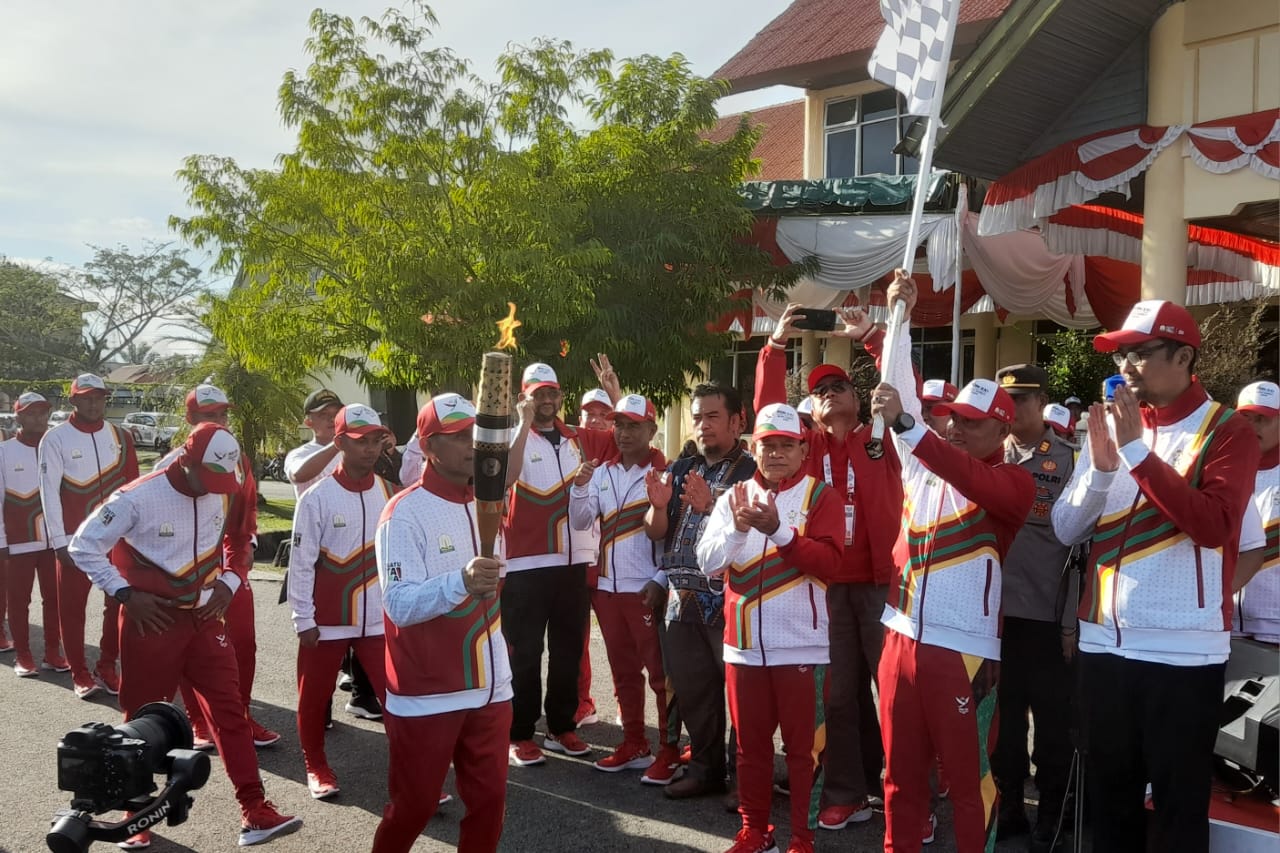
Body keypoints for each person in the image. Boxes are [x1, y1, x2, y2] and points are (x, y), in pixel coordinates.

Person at [1051, 300, 1260, 853]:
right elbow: (1066, 529)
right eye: (1122, 353)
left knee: (1176, 809)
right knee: (1111, 805)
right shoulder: (1117, 427)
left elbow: (1213, 526)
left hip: (1182, 654)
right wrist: (1098, 470)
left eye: (1141, 353)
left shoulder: (1229, 430)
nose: (1127, 365)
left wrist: (1136, 452)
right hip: (1103, 646)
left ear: (1184, 356)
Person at [67, 423, 301, 848]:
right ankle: (135, 815)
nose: (214, 489)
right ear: (187, 461)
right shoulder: (138, 496)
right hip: (150, 623)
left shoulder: (223, 485)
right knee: (140, 721)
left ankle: (255, 810)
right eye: (207, 478)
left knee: (231, 712)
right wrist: (124, 593)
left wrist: (230, 582)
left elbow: (239, 538)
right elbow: (82, 545)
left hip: (205, 620)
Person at [871, 271, 1036, 853]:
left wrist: (913, 427)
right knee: (898, 777)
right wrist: (899, 317)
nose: (959, 427)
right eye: (956, 418)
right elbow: (900, 396)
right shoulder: (921, 461)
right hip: (901, 637)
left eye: (974, 422)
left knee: (968, 783)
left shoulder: (1014, 484)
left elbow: (934, 445)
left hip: (963, 649)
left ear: (1002, 428)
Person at [758, 304, 906, 831]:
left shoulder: (882, 438)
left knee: (897, 694)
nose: (828, 394)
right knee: (839, 695)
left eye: (838, 386)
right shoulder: (807, 446)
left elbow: (902, 386)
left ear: (859, 397)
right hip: (823, 586)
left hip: (883, 585)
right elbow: (769, 409)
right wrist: (776, 345)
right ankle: (846, 792)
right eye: (819, 390)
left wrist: (871, 337)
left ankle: (907, 793)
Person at [697, 402, 845, 853]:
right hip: (742, 648)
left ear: (803, 450)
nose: (776, 454)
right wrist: (738, 531)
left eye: (786, 446)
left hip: (801, 647)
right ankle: (754, 832)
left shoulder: (822, 497)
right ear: (753, 448)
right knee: (750, 751)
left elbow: (831, 566)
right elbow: (707, 562)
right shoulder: (732, 496)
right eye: (768, 446)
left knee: (804, 754)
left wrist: (781, 532)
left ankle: (803, 838)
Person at [371, 394, 512, 853]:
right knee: (413, 808)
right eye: (458, 437)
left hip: (492, 689)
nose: (473, 444)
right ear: (428, 447)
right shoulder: (403, 513)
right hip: (428, 694)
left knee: (489, 804)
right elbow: (398, 604)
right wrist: (461, 580)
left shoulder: (488, 503)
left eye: (476, 433)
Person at [643, 381, 756, 802]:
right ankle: (707, 769)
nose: (703, 426)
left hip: (730, 600)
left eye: (712, 416)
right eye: (697, 417)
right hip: (679, 599)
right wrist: (657, 506)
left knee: (743, 697)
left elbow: (754, 523)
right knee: (694, 692)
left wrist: (714, 503)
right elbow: (658, 532)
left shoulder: (753, 471)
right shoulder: (679, 468)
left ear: (736, 420)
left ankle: (746, 780)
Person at [502, 362, 613, 765]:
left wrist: (614, 393)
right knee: (525, 652)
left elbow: (624, 440)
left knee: (568, 649)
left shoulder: (578, 438)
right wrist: (521, 423)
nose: (547, 400)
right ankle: (519, 732)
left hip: (573, 560)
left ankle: (562, 726)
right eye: (538, 394)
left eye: (552, 393)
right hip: (525, 563)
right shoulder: (513, 436)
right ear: (525, 397)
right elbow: (505, 478)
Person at [156, 384, 278, 749]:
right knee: (190, 648)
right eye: (210, 416)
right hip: (185, 571)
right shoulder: (169, 465)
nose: (219, 422)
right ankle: (199, 722)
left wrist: (237, 568)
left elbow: (247, 516)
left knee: (244, 645)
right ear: (190, 418)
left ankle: (240, 716)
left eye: (223, 415)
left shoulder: (237, 458)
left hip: (229, 568)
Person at [991, 365, 1078, 851]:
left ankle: (1050, 814)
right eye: (1008, 399)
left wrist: (1070, 624)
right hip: (996, 616)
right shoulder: (989, 455)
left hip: (1046, 618)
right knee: (1002, 723)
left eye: (1023, 399)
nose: (1014, 408)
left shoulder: (1067, 461)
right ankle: (1007, 809)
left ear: (1042, 401)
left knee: (1050, 725)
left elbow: (1079, 552)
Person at [569, 394, 677, 778]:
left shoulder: (666, 473)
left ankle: (670, 748)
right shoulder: (602, 471)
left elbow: (672, 538)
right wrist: (579, 487)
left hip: (645, 587)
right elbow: (581, 522)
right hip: (608, 588)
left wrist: (660, 579)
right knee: (622, 671)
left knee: (661, 675)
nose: (624, 433)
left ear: (651, 429)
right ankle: (635, 742)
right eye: (620, 425)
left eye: (633, 425)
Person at [289, 404, 393, 799]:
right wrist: (304, 618)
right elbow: (300, 564)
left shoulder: (387, 490)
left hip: (379, 620)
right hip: (327, 619)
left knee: (397, 699)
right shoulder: (315, 497)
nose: (368, 449)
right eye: (359, 441)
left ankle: (414, 775)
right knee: (314, 699)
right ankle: (315, 766)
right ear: (339, 443)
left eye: (374, 440)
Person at [39, 373, 137, 699]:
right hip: (74, 540)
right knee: (72, 608)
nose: (94, 403)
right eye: (86, 397)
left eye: (99, 397)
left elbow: (136, 490)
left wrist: (138, 537)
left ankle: (107, 666)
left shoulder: (122, 436)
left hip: (117, 538)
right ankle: (79, 673)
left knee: (118, 603)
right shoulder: (55, 439)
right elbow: (48, 493)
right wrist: (58, 540)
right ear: (74, 400)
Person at [285, 388, 381, 721]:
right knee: (320, 658)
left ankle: (361, 695)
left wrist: (366, 441)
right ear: (309, 420)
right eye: (324, 415)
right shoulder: (303, 453)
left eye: (335, 413)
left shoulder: (359, 452)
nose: (329, 419)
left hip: (363, 562)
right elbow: (301, 475)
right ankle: (319, 712)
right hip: (320, 556)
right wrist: (340, 441)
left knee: (366, 638)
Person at [1, 392, 65, 676]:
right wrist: (2, 541)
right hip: (19, 540)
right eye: (31, 413)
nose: (38, 418)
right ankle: (24, 655)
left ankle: (53, 651)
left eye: (42, 412)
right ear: (19, 417)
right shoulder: (4, 452)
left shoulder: (58, 446)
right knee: (18, 600)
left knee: (55, 599)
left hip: (55, 540)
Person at [574, 387, 614, 728]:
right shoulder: (569, 452)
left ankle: (625, 705)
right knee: (576, 639)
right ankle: (582, 703)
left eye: (605, 413)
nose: (597, 419)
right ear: (580, 418)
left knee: (620, 642)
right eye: (591, 413)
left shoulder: (621, 455)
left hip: (610, 565)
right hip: (573, 561)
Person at [1232, 381, 1279, 640]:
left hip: (1274, 622)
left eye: (1263, 419)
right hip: (1225, 617)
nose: (1252, 427)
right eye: (1246, 418)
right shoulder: (1222, 470)